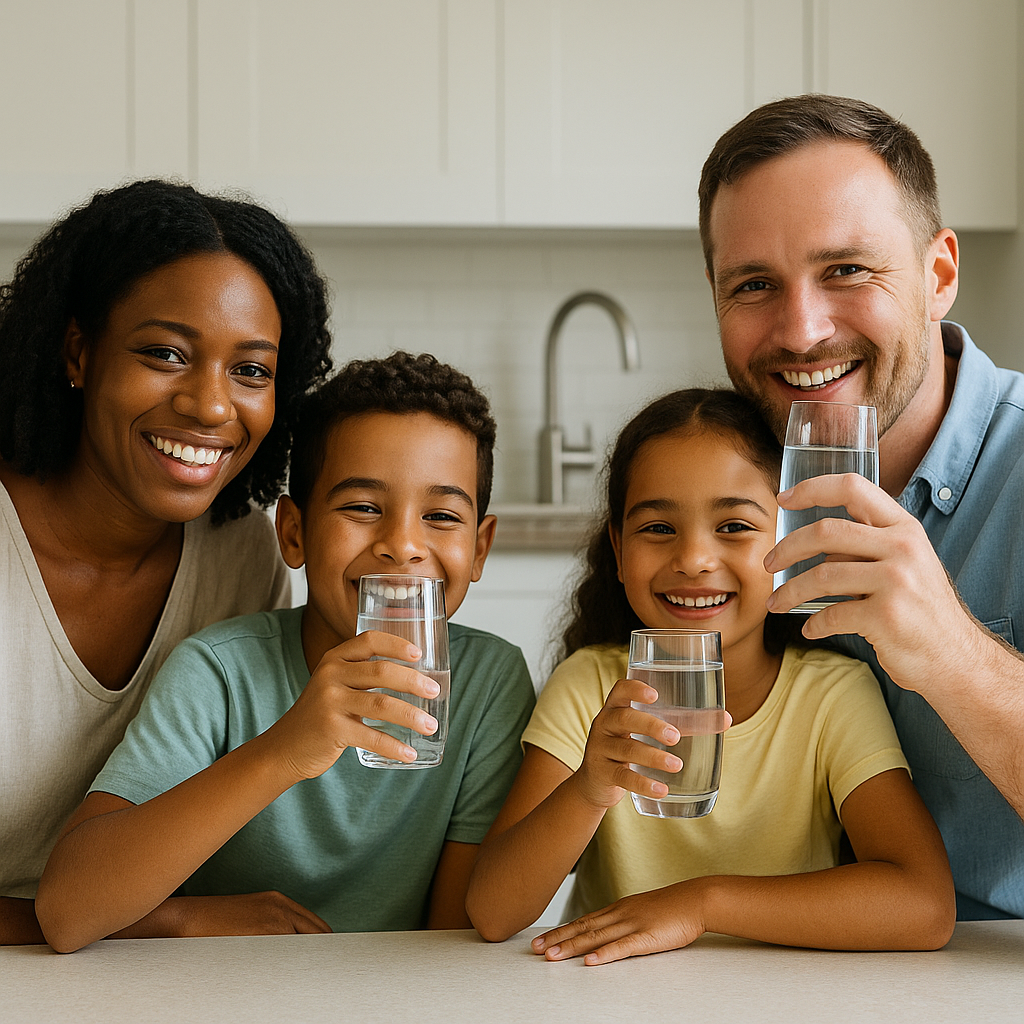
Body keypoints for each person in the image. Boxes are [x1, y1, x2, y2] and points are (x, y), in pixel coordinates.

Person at [35, 350, 536, 952]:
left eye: (440, 516)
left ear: (479, 550)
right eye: (363, 508)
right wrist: (287, 748)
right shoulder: (218, 672)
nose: (402, 545)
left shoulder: (489, 683)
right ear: (294, 533)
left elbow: (456, 937)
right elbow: (66, 913)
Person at [466, 388, 954, 964]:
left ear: (792, 541)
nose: (694, 558)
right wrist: (589, 788)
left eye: (734, 527)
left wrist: (703, 904)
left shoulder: (831, 696)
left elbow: (925, 905)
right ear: (619, 553)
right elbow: (493, 914)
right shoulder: (589, 687)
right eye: (657, 529)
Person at [698, 94, 1024, 920]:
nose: (801, 331)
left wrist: (951, 652)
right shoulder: (729, 486)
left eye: (846, 269)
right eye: (754, 284)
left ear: (938, 274)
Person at [0, 179, 333, 945]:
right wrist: (162, 922)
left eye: (250, 371)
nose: (212, 407)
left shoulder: (241, 556)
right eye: (165, 354)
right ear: (79, 351)